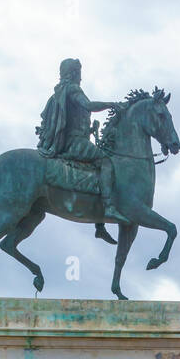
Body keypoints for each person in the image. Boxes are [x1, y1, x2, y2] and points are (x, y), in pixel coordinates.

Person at [36, 57, 125, 241]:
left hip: (72, 141)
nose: (81, 78)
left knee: (94, 170)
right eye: (79, 73)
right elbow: (88, 105)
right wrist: (111, 104)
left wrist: (90, 130)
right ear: (74, 73)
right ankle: (108, 207)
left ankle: (99, 225)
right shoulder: (73, 89)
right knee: (106, 162)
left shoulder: (59, 92)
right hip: (76, 143)